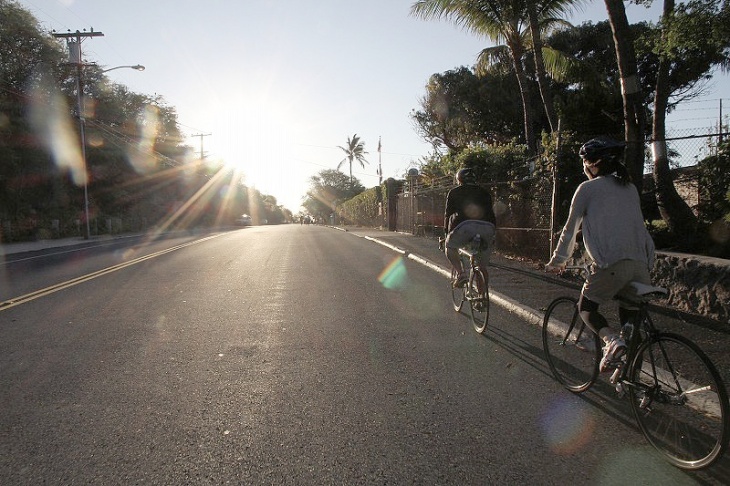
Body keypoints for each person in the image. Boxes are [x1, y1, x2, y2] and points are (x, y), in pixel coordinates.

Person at [546, 137, 655, 372]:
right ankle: (632, 381)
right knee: (631, 319)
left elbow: (570, 227)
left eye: (584, 162)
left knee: (586, 307)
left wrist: (558, 261)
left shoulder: (587, 188)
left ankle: (611, 341)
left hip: (611, 263)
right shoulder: (630, 187)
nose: (584, 167)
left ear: (593, 164)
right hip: (641, 264)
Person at [443, 168, 497, 287]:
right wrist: (493, 233)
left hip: (464, 226)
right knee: (482, 267)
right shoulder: (485, 192)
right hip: (488, 227)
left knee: (449, 247)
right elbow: (491, 213)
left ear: (459, 180)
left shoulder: (454, 192)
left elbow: (448, 215)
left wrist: (446, 233)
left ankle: (461, 273)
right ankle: (481, 299)